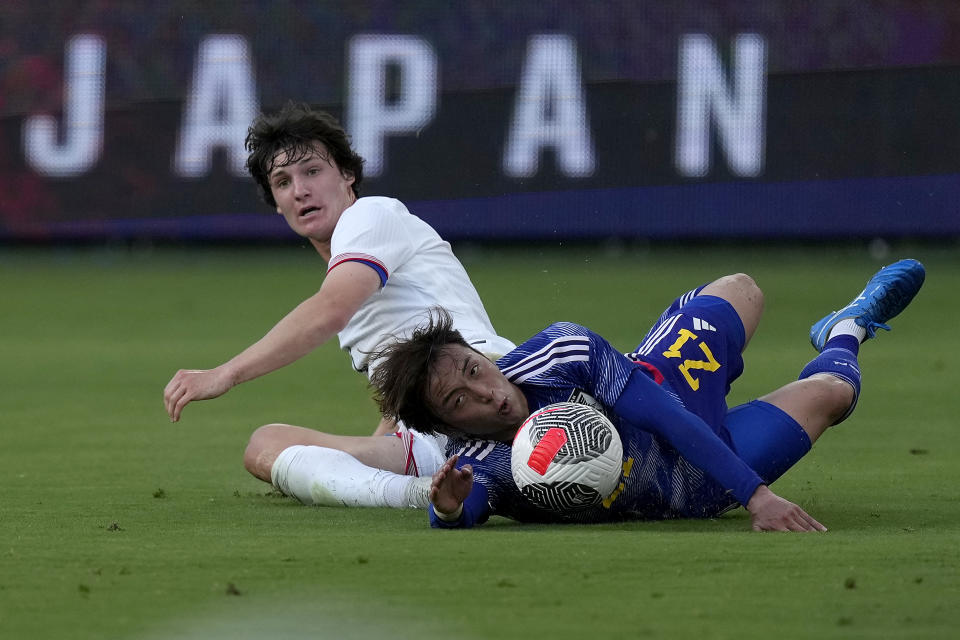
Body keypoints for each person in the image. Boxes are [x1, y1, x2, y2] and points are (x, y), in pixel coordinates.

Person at [369, 259, 925, 531]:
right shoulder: (478, 462)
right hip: (697, 488)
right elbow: (468, 509)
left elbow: (665, 415)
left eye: (473, 369)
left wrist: (759, 498)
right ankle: (848, 330)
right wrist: (445, 510)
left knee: (741, 289)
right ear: (446, 426)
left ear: (479, 353)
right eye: (458, 401)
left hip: (674, 392)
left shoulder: (562, 352)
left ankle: (833, 326)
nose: (485, 394)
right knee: (832, 393)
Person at [162, 102, 514, 508]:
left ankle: (413, 494)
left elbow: (331, 309)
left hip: (484, 386)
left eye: (312, 171)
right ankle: (431, 491)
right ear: (277, 203)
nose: (300, 190)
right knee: (266, 444)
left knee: (271, 445)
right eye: (282, 181)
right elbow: (403, 380)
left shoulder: (369, 215)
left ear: (348, 175)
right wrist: (378, 445)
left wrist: (225, 374)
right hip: (434, 428)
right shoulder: (354, 263)